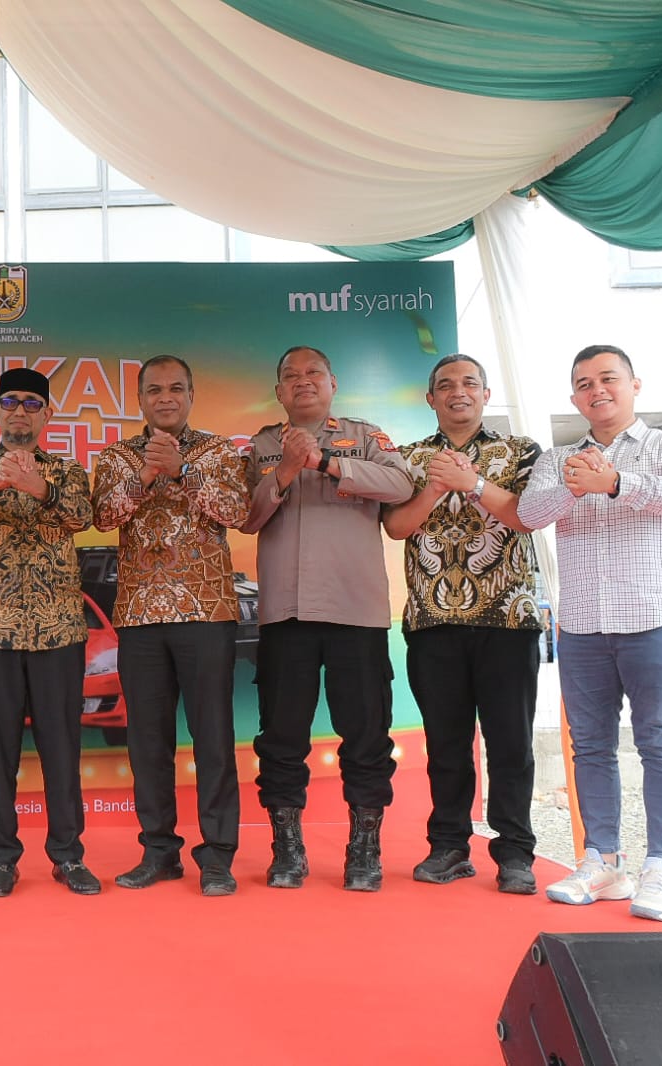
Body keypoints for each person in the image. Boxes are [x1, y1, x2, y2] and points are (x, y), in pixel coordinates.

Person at [518, 344, 662, 922]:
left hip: (656, 618)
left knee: (661, 742)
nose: (596, 390)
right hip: (582, 624)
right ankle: (602, 861)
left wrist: (617, 482)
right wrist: (575, 487)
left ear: (634, 385)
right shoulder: (559, 458)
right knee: (591, 747)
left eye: (608, 378)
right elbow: (529, 515)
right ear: (574, 397)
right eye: (584, 383)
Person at [241, 345, 413, 892]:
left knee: (366, 735)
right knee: (281, 737)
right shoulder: (261, 446)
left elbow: (403, 486)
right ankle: (287, 849)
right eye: (290, 375)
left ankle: (364, 849)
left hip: (354, 611)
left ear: (333, 383)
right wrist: (285, 470)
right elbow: (246, 517)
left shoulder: (366, 437)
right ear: (279, 392)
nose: (303, 381)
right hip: (285, 614)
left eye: (313, 372)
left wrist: (326, 463)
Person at [383, 354, 543, 895]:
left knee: (511, 744)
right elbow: (396, 527)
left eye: (470, 383)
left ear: (486, 394)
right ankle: (449, 845)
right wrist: (434, 488)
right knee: (446, 744)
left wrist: (471, 483)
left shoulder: (520, 451)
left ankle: (515, 851)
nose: (458, 392)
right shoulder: (407, 458)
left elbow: (526, 516)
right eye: (446, 385)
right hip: (432, 621)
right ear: (430, 398)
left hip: (507, 619)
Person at [91, 355, 249, 896]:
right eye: (154, 389)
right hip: (139, 615)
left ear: (190, 396)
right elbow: (104, 516)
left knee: (213, 737)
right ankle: (159, 851)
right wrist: (145, 475)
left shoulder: (219, 451)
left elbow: (237, 512)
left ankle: (218, 855)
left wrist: (182, 470)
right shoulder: (117, 456)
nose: (165, 397)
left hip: (205, 611)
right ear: (140, 399)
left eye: (176, 388)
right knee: (147, 742)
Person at [0, 368, 100, 898]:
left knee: (62, 748)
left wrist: (41, 489)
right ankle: (2, 858)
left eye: (32, 403)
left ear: (47, 415)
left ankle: (68, 856)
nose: (19, 411)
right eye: (9, 401)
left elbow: (83, 516)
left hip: (58, 629)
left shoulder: (67, 470)